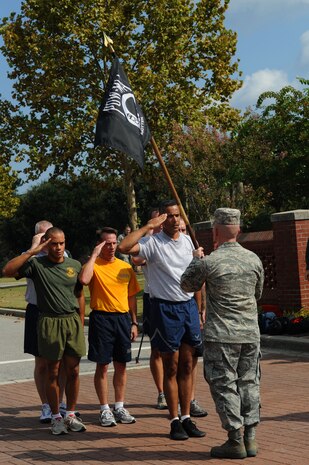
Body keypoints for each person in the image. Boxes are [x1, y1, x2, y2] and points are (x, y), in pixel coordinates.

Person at [118, 200, 205, 441]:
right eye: (169, 216)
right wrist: (148, 226)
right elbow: (124, 247)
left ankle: (187, 417)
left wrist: (199, 309)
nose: (175, 220)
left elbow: (195, 275)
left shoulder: (188, 241)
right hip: (165, 308)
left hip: (187, 307)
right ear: (162, 219)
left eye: (177, 216)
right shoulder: (152, 243)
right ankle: (174, 419)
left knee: (188, 365)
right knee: (172, 366)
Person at [180, 208, 264, 459]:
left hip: (222, 336)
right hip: (250, 334)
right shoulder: (254, 260)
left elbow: (186, 285)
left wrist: (195, 259)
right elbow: (257, 294)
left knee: (224, 384)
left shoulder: (209, 262)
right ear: (238, 230)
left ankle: (235, 439)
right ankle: (251, 439)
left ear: (216, 230)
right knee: (250, 383)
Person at [3, 227, 86, 436]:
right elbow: (8, 270)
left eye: (61, 243)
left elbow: (79, 294)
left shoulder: (74, 265)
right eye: (53, 244)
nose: (58, 248)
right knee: (53, 372)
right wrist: (32, 250)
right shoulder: (36, 265)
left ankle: (71, 414)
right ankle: (56, 416)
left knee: (74, 371)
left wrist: (80, 319)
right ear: (46, 244)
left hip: (72, 322)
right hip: (49, 322)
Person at [79, 227, 140, 427]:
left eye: (114, 243)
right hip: (101, 319)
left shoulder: (125, 267)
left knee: (121, 364)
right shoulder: (93, 265)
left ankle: (119, 406)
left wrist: (133, 322)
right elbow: (84, 280)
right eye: (107, 243)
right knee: (103, 365)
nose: (112, 247)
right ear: (99, 244)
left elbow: (131, 297)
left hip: (122, 319)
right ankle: (104, 409)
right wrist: (94, 255)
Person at [24, 220, 79, 423]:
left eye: (54, 238)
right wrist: (34, 248)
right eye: (44, 236)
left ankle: (60, 402)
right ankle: (46, 405)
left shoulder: (64, 255)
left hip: (60, 314)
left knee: (64, 363)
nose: (51, 243)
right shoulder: (30, 257)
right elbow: (12, 270)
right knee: (42, 363)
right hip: (37, 311)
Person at [131, 208, 167, 410]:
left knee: (183, 352)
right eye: (156, 224)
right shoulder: (150, 243)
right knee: (157, 350)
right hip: (153, 299)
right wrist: (149, 231)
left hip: (179, 299)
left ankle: (187, 396)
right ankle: (162, 392)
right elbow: (137, 259)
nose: (160, 227)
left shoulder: (180, 240)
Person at [178, 218, 208, 418]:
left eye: (184, 229)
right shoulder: (165, 248)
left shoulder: (191, 246)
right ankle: (174, 401)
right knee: (174, 360)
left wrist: (201, 309)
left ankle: (190, 399)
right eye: (179, 229)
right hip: (169, 309)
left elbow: (199, 284)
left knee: (192, 358)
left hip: (190, 309)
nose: (182, 232)